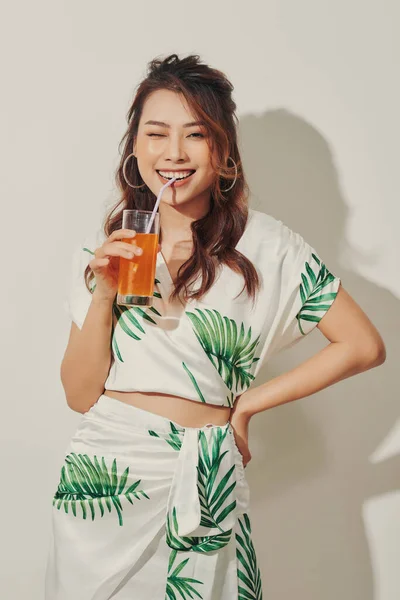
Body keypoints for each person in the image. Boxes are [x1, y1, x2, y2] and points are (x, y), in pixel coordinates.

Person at [45, 53, 386, 600]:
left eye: (195, 135)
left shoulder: (268, 245)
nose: (173, 153)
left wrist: (249, 404)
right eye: (156, 133)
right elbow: (80, 393)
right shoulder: (103, 246)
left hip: (206, 478)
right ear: (135, 148)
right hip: (108, 476)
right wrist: (105, 289)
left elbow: (364, 345)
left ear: (223, 154)